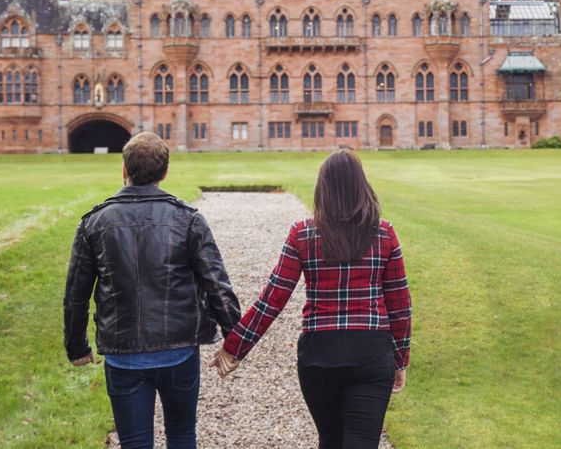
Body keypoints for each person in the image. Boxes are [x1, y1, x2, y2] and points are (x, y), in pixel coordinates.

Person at [210, 149, 412, 449]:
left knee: (330, 441)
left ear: (323, 188)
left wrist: (236, 345)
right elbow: (400, 307)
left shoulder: (303, 234)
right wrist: (400, 359)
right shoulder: (383, 234)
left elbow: (273, 297)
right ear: (361, 186)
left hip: (320, 355)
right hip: (370, 353)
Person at [63, 132, 240, 449]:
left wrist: (76, 346)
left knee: (135, 442)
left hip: (124, 353)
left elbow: (76, 294)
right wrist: (235, 339)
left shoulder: (94, 222)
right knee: (182, 434)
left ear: (124, 170)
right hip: (178, 351)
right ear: (164, 173)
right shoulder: (188, 219)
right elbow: (217, 283)